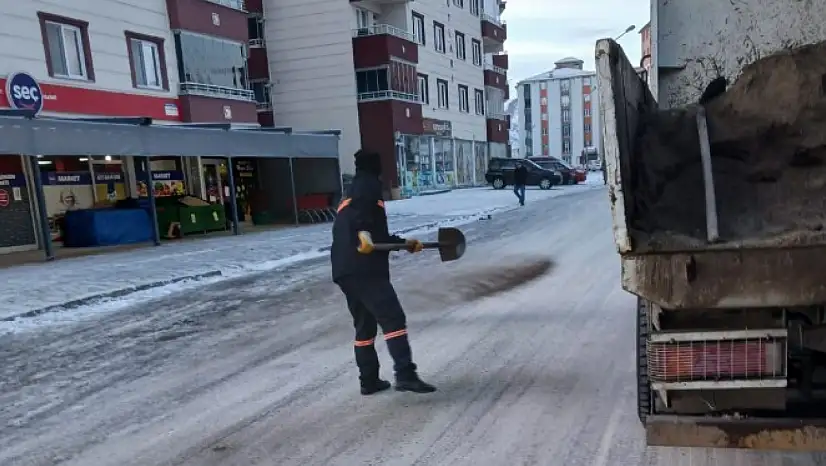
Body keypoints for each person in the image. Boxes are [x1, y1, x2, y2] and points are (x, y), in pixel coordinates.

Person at [331, 149, 437, 395]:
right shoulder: (367, 186)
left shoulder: (351, 188)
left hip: (344, 267)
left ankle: (368, 380)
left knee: (365, 325)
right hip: (364, 267)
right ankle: (405, 374)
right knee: (393, 318)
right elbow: (363, 222)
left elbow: (374, 233)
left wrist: (404, 243)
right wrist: (364, 233)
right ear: (375, 166)